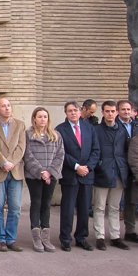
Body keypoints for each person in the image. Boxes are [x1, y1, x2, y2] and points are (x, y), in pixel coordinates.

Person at [56, 101, 100, 252]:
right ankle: (65, 239)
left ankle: (81, 237)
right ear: (66, 113)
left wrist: (88, 167)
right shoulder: (60, 129)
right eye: (69, 111)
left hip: (87, 174)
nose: (73, 113)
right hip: (70, 174)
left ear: (80, 111)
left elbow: (96, 149)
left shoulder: (89, 128)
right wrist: (76, 167)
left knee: (84, 209)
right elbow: (60, 152)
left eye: (75, 110)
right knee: (68, 209)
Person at [24, 107, 64, 252]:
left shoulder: (56, 135)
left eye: (45, 117)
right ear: (34, 118)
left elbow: (60, 155)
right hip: (34, 176)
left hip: (51, 176)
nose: (42, 119)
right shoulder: (28, 135)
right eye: (39, 116)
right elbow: (27, 155)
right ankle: (36, 238)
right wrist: (41, 172)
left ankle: (45, 237)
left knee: (46, 204)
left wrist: (50, 172)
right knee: (36, 203)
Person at [92, 101, 130, 250]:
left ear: (116, 113)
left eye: (113, 111)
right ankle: (99, 236)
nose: (110, 114)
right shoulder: (96, 130)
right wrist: (99, 164)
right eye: (107, 111)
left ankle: (115, 236)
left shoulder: (122, 130)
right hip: (103, 172)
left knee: (115, 207)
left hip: (119, 172)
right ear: (103, 112)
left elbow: (126, 150)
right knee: (100, 207)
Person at [0, 98, 26, 252]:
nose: (7, 108)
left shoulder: (20, 124)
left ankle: (11, 239)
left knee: (15, 208)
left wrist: (11, 162)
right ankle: (0, 239)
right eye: (3, 106)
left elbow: (21, 146)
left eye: (8, 106)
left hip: (16, 171)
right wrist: (3, 162)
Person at [117, 100, 138, 243]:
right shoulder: (115, 125)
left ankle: (130, 232)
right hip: (120, 167)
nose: (126, 111)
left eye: (128, 109)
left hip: (134, 166)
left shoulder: (135, 126)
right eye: (123, 109)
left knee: (132, 200)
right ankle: (125, 231)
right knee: (126, 201)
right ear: (118, 111)